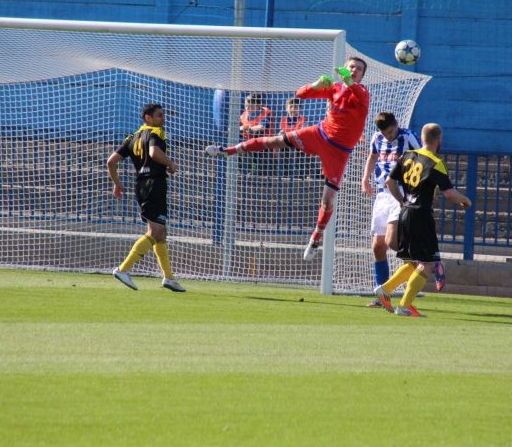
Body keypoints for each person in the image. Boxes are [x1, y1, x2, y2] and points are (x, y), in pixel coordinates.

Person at [206, 57, 370, 261]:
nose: (354, 70)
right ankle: (227, 150)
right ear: (345, 68)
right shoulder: (335, 88)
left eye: (358, 69)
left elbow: (358, 94)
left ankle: (315, 238)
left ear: (362, 75)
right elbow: (300, 94)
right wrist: (317, 84)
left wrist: (350, 82)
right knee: (274, 140)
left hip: (338, 151)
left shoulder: (362, 93)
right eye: (351, 67)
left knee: (327, 202)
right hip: (319, 134)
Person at [374, 123, 471, 317]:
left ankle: (385, 289)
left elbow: (390, 182)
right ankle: (404, 305)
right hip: (421, 214)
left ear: (422, 138)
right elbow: (450, 194)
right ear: (439, 140)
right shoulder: (436, 162)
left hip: (406, 212)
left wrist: (402, 201)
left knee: (412, 262)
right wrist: (465, 200)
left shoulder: (407, 155)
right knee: (427, 263)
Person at [106, 103, 185, 292]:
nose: (162, 119)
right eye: (159, 115)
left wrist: (117, 183)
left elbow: (111, 162)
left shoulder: (132, 138)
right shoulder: (155, 133)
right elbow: (153, 152)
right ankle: (123, 269)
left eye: (163, 116)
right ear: (147, 118)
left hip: (142, 185)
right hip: (154, 185)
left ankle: (169, 278)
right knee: (155, 232)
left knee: (161, 233)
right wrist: (170, 163)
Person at [361, 111, 420, 308]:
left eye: (391, 131)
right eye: (386, 133)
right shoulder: (377, 138)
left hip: (401, 195)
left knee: (392, 242)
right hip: (381, 195)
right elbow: (372, 156)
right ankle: (382, 295)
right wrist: (365, 178)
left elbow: (423, 159)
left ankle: (426, 260)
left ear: (396, 125)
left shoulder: (407, 136)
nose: (389, 135)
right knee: (378, 247)